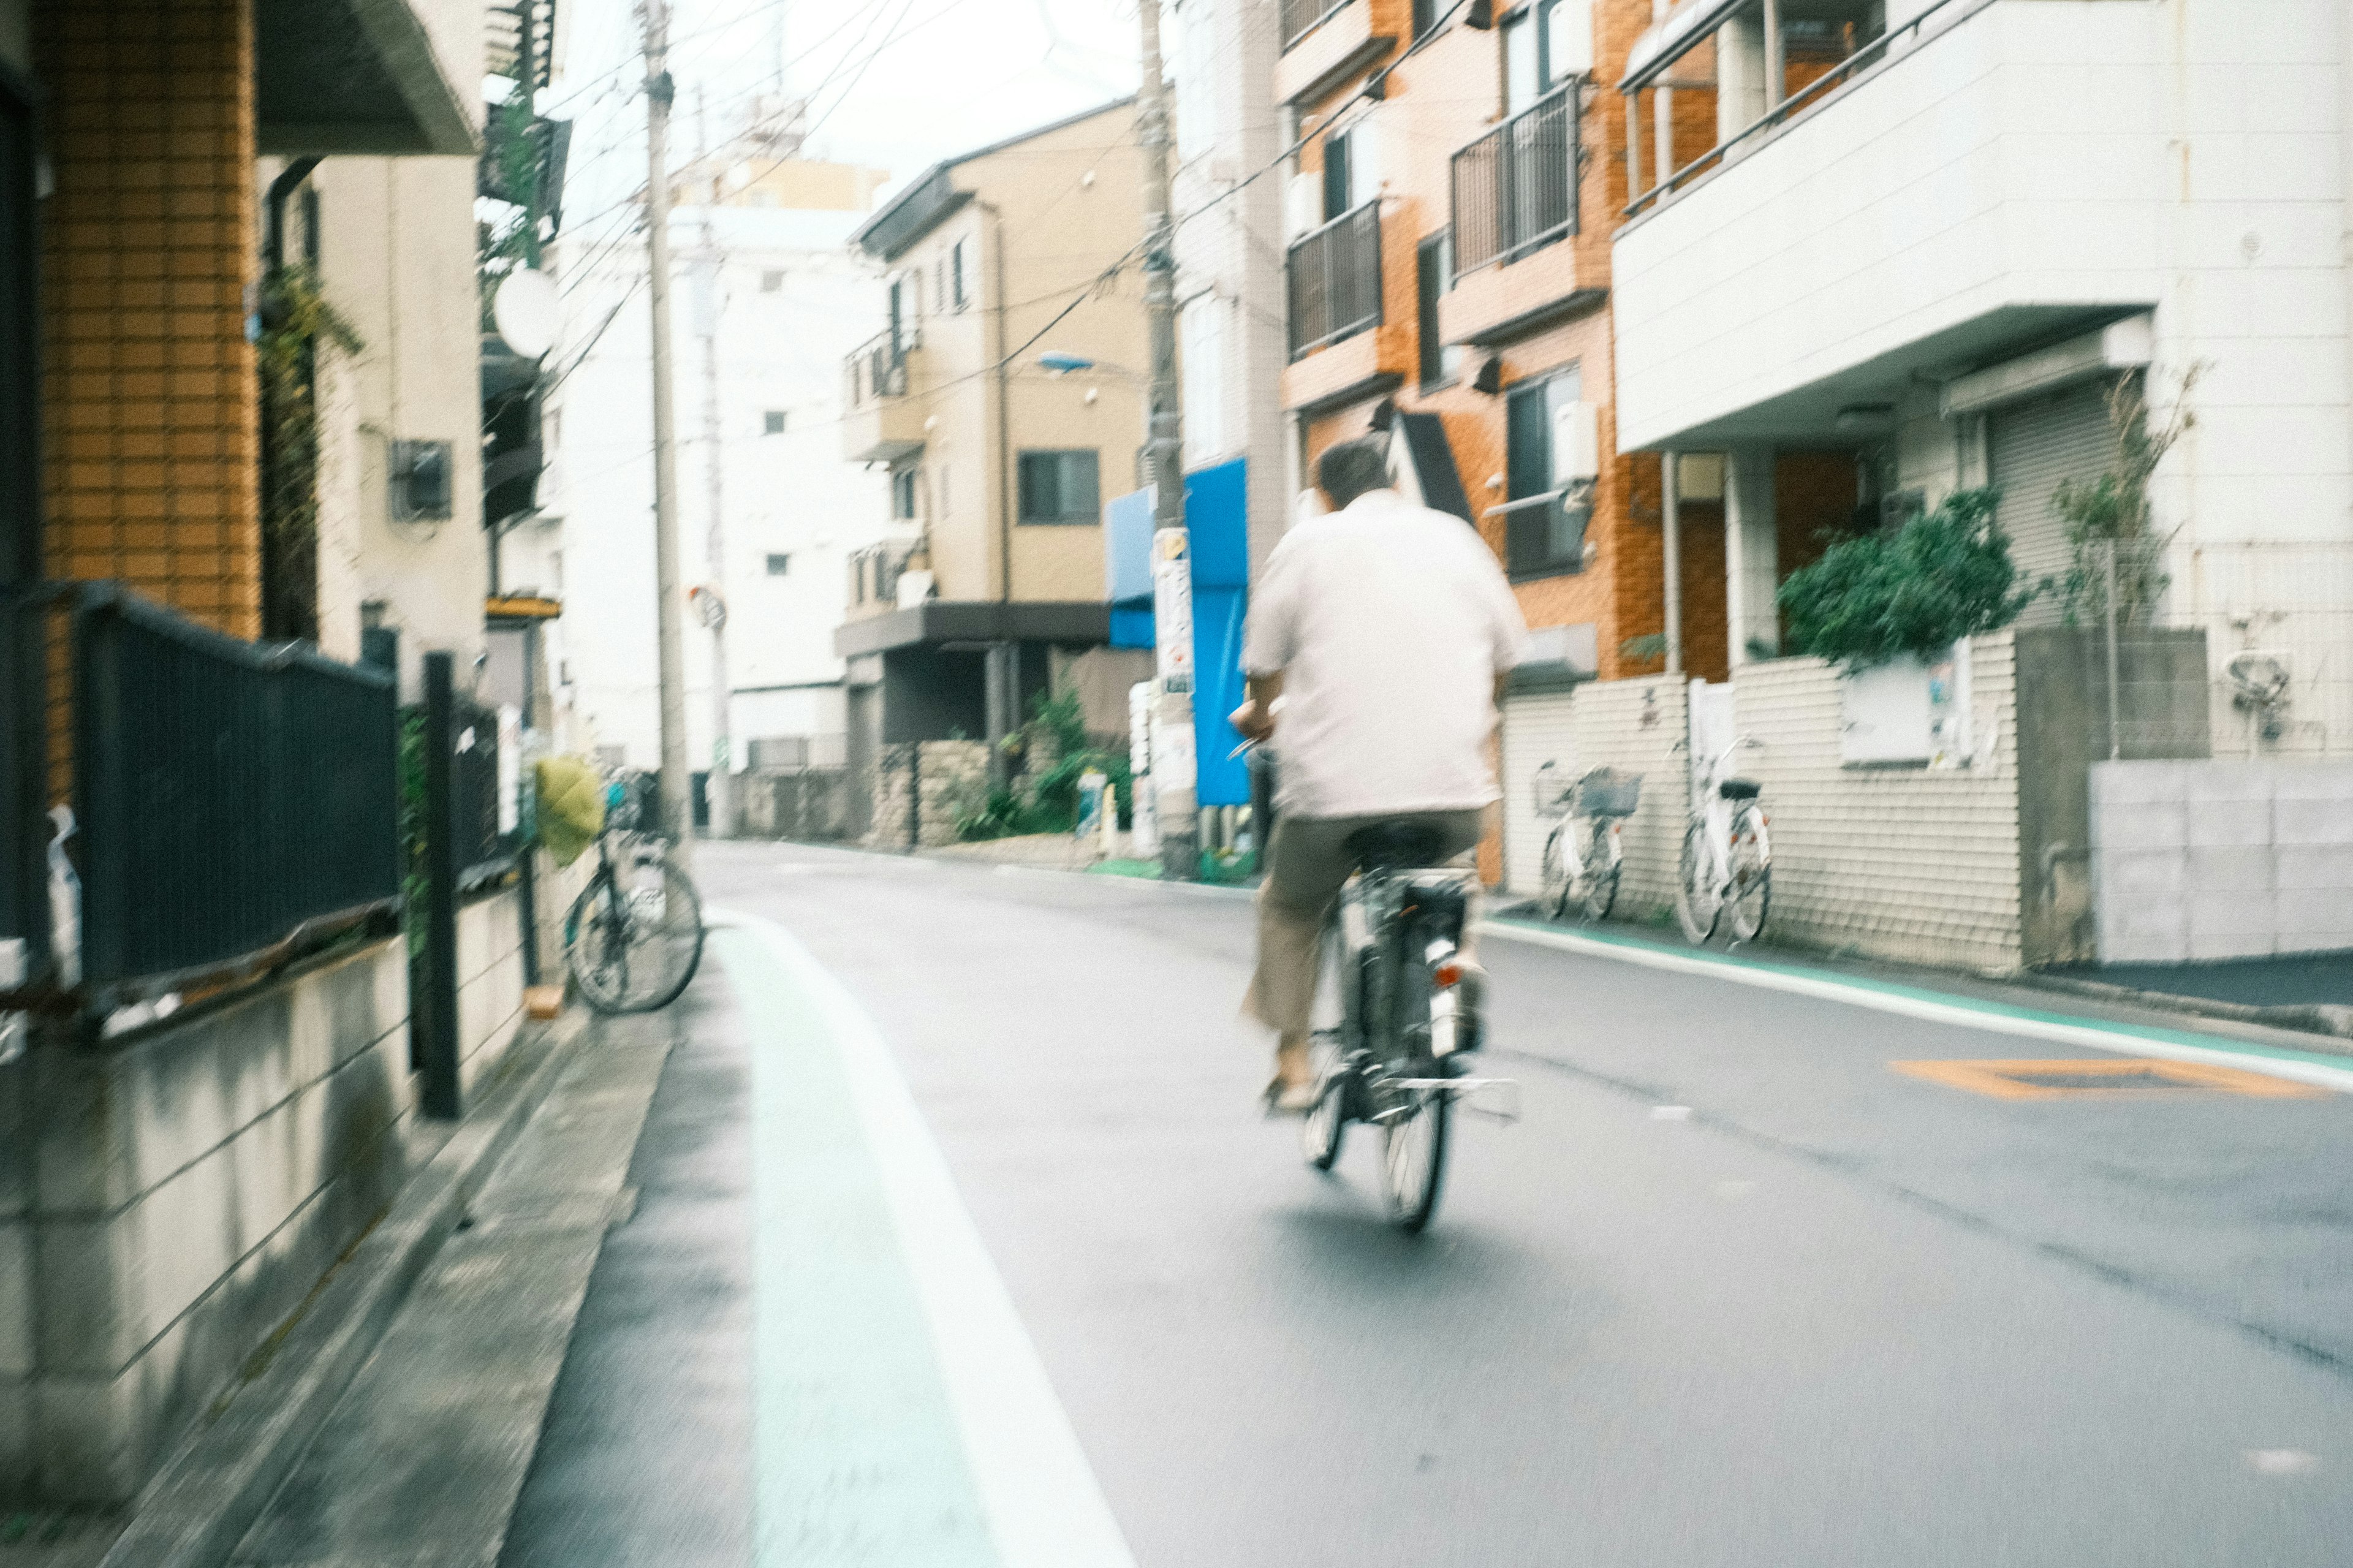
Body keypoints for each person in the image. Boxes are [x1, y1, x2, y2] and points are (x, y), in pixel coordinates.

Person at [1232, 434, 1528, 1113]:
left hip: (1335, 796)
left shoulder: (1309, 543)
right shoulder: (1456, 538)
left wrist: (1260, 716)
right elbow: (1507, 656)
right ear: (1393, 480)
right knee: (1453, 882)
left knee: (1290, 906)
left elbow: (1264, 663)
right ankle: (1457, 970)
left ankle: (1296, 1067)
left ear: (1324, 495)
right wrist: (1480, 715)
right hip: (1450, 785)